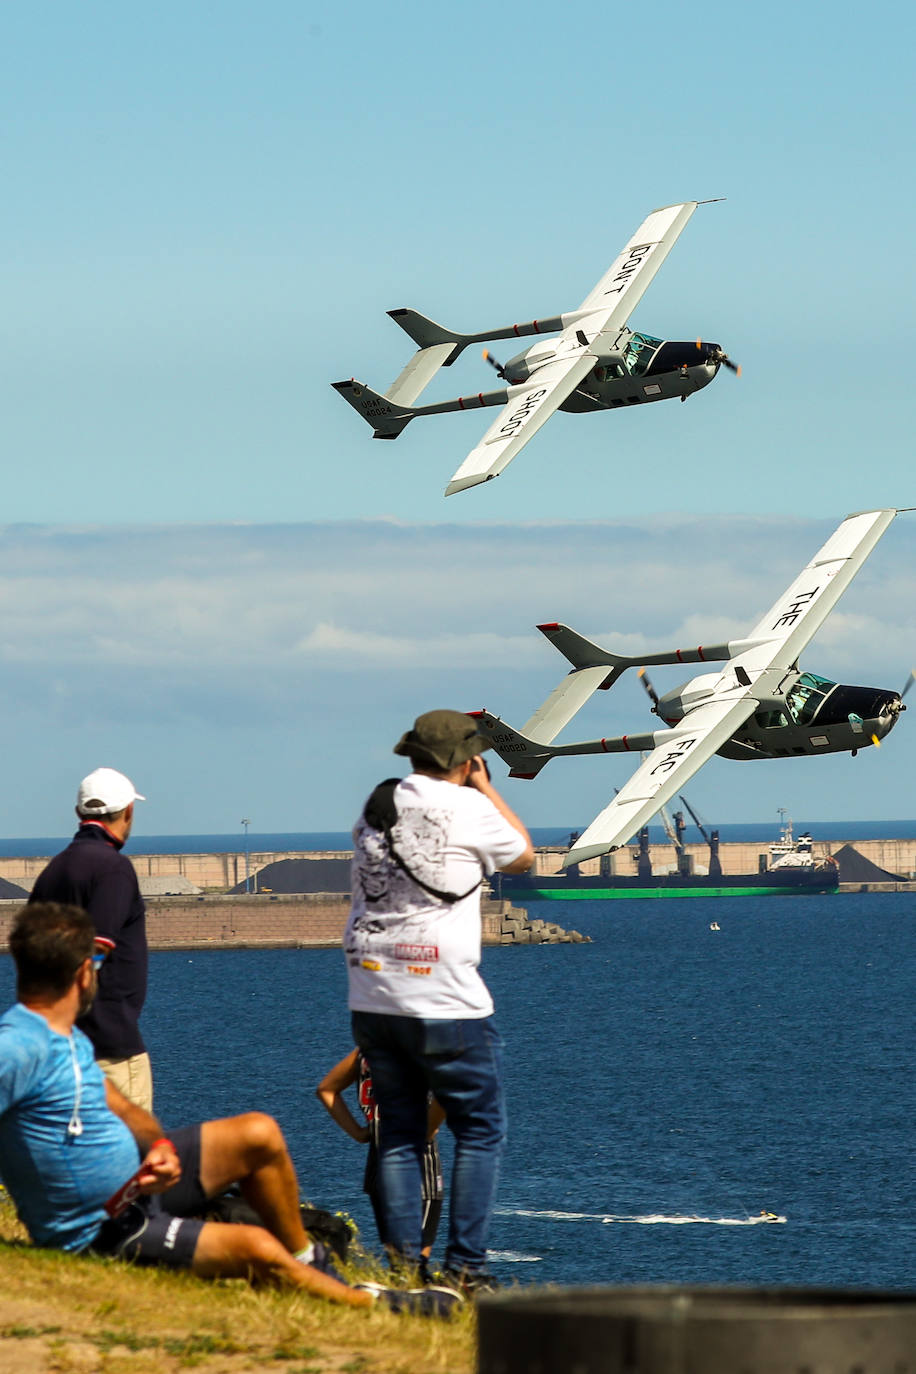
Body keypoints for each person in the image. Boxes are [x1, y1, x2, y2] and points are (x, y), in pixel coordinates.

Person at [0, 903, 460, 1316]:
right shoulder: (17, 1047)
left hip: (139, 1188)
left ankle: (310, 1262)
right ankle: (373, 1305)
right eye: (98, 962)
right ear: (84, 971)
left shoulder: (68, 1038)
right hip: (102, 1230)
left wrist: (158, 1146)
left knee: (258, 1133)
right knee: (256, 1246)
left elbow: (120, 1106)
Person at [344, 709, 534, 1292]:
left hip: (372, 992)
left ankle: (403, 1269)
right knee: (479, 1130)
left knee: (398, 1131)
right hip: (445, 997)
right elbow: (524, 857)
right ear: (465, 758)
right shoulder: (471, 806)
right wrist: (483, 789)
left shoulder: (377, 805)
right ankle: (464, 1271)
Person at [29, 767, 152, 1110]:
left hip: (57, 1050)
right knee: (129, 1159)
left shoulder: (53, 872)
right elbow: (96, 948)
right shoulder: (114, 868)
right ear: (128, 811)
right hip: (109, 1049)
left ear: (78, 813)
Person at [317, 1047, 445, 1260]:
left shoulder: (365, 1052)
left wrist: (359, 1132)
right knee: (415, 1261)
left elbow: (326, 1089)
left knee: (396, 1259)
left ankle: (396, 1290)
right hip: (418, 1161)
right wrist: (429, 1128)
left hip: (378, 1160)